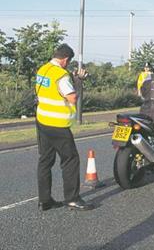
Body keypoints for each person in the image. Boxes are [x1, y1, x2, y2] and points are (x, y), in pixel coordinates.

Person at [35, 43, 94, 211]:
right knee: (70, 160)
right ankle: (72, 198)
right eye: (68, 62)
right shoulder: (61, 75)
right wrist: (78, 81)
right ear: (66, 59)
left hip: (42, 121)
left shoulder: (43, 69)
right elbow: (72, 98)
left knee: (45, 160)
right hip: (58, 125)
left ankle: (45, 200)